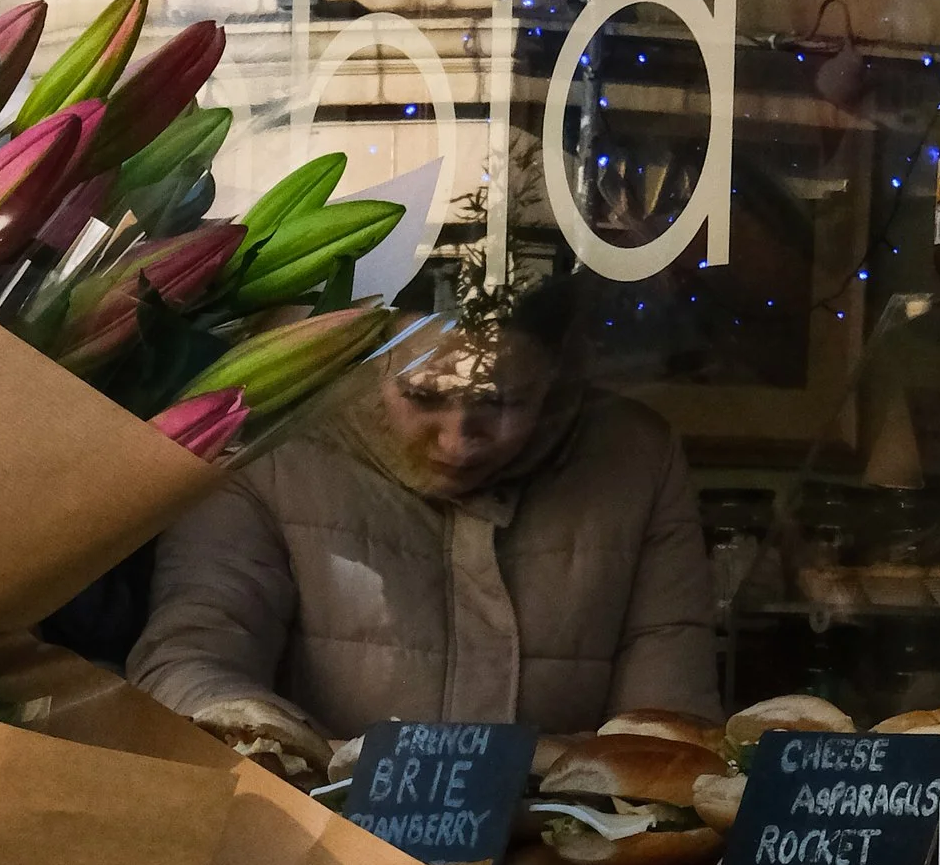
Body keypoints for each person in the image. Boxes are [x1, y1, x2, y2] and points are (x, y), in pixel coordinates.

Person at [132, 259, 718, 755]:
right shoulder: (271, 450)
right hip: (318, 844)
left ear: (557, 381)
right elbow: (189, 656)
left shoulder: (633, 459)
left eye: (502, 401)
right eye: (423, 396)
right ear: (368, 365)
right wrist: (291, 755)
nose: (459, 440)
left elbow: (666, 721)